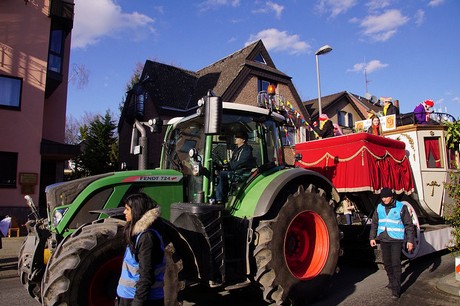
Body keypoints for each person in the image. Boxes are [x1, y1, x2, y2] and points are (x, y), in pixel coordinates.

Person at [117, 193, 165, 306]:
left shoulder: (147, 238)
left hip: (142, 299)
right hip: (128, 296)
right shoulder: (137, 234)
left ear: (136, 211)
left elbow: (146, 274)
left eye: (127, 209)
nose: (124, 212)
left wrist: (138, 302)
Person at [369, 188, 415, 299]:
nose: (384, 199)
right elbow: (374, 223)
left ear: (391, 197)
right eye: (382, 197)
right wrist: (372, 237)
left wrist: (410, 241)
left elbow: (409, 225)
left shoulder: (401, 207)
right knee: (387, 264)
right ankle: (391, 281)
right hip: (384, 239)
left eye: (386, 197)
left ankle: (396, 289)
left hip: (396, 240)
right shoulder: (379, 207)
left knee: (396, 264)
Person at [216, 131, 255, 203]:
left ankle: (219, 199)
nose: (236, 138)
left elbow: (241, 162)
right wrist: (224, 165)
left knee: (221, 174)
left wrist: (229, 166)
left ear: (243, 140)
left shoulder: (246, 149)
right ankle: (223, 196)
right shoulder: (236, 149)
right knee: (219, 173)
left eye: (238, 137)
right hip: (235, 170)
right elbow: (232, 161)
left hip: (241, 172)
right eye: (236, 137)